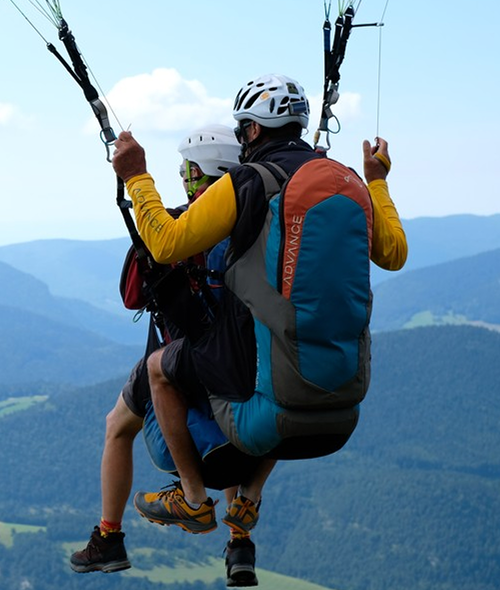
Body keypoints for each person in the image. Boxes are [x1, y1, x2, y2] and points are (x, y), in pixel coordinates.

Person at [112, 73, 408, 587]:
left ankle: (193, 499)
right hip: (342, 406)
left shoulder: (246, 182)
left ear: (251, 131)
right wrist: (377, 181)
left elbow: (165, 243)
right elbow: (394, 254)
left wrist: (137, 177)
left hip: (264, 411)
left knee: (164, 368)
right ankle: (245, 509)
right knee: (271, 349)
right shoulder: (349, 184)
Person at [70, 123, 254, 575]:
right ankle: (240, 544)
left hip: (176, 356)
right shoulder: (255, 229)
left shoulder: (177, 227)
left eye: (187, 169)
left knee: (118, 427)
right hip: (243, 359)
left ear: (198, 173)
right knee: (233, 419)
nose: (183, 175)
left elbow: (132, 295)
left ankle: (109, 537)